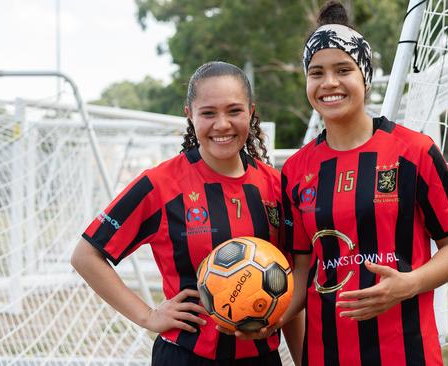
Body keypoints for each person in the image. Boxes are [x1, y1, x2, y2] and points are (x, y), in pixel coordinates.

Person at [71, 61, 302, 366]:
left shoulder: (276, 186)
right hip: (186, 357)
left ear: (250, 112)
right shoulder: (160, 184)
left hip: (261, 359)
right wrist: (148, 316)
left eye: (234, 111)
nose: (222, 124)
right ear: (189, 115)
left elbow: (287, 287)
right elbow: (86, 256)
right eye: (208, 113)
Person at [279, 2, 448, 365]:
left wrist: (409, 284)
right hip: (327, 356)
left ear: (364, 76)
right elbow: (302, 273)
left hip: (407, 351)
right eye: (316, 72)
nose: (329, 83)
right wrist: (263, 319)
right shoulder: (295, 169)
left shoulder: (415, 151)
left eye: (343, 70)